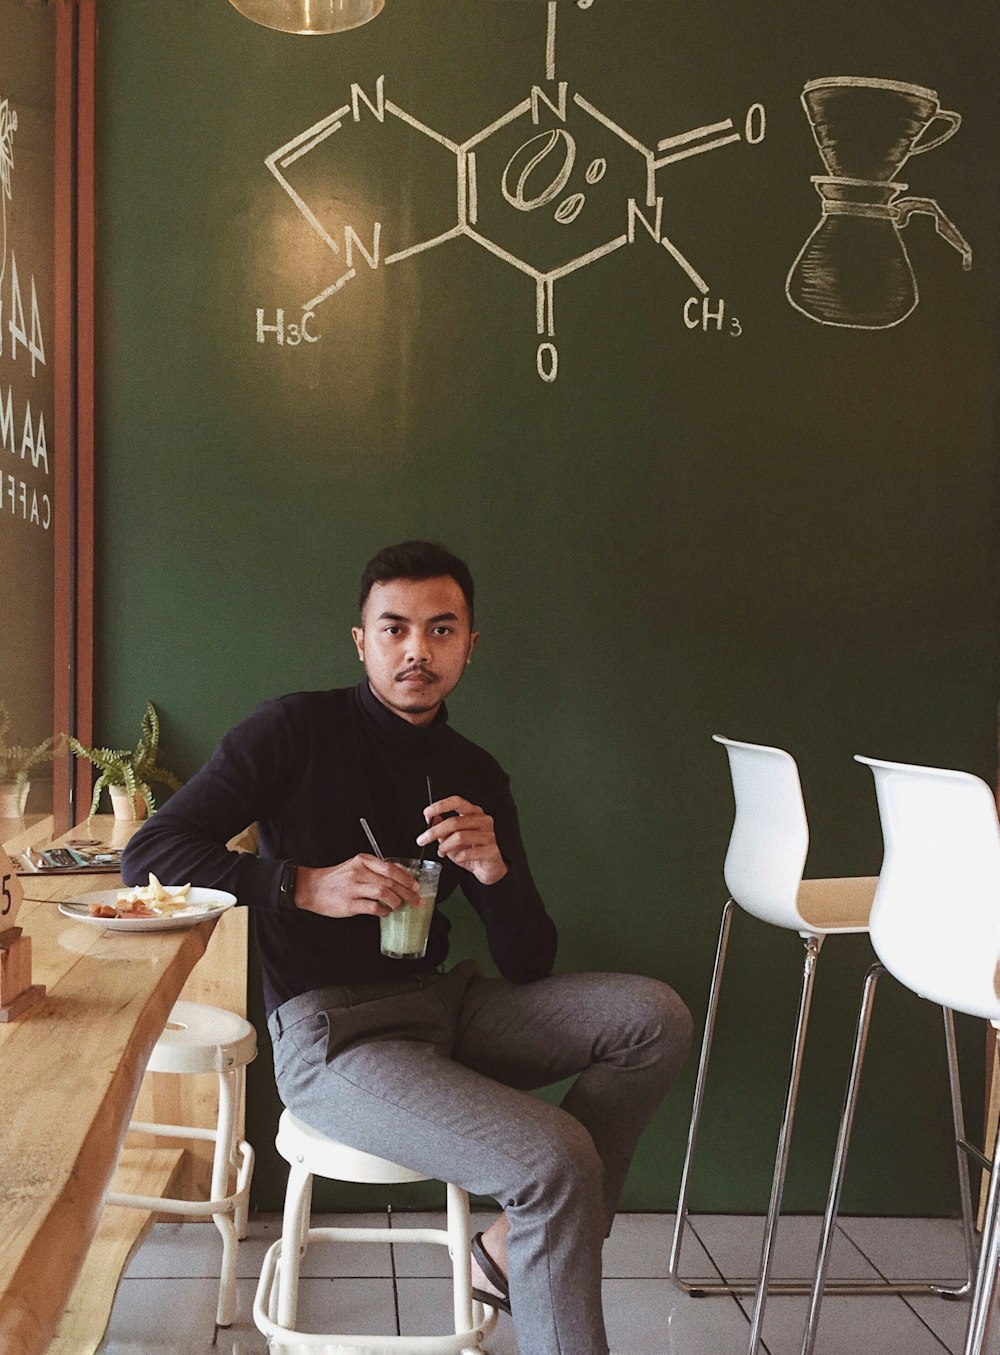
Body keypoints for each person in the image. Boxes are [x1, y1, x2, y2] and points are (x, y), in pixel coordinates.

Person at [122, 540, 692, 1355]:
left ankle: (505, 1252)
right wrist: (300, 883)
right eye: (394, 629)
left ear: (468, 644)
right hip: (332, 1035)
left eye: (440, 629)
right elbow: (151, 853)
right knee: (556, 1159)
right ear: (362, 641)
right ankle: (538, 1237)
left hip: (445, 1003)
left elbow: (530, 962)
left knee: (654, 1018)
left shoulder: (475, 774)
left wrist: (495, 873)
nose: (416, 651)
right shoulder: (294, 729)